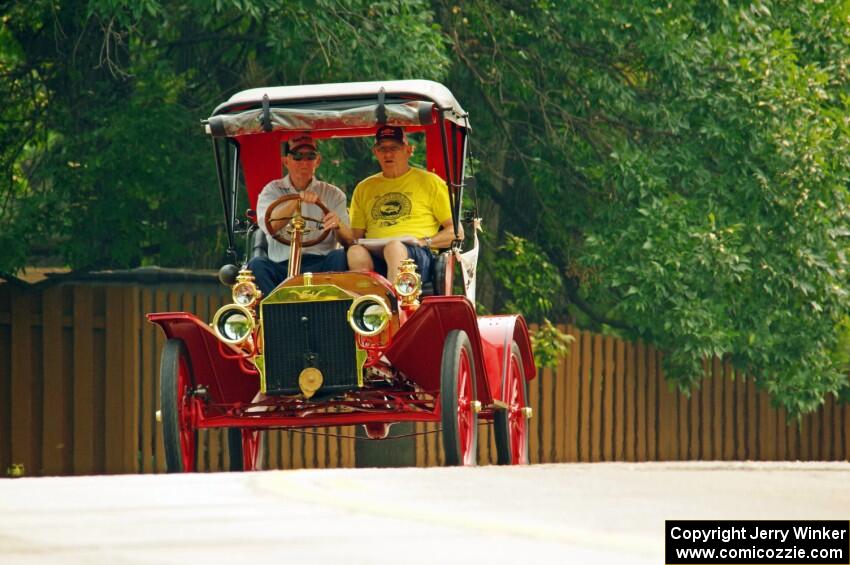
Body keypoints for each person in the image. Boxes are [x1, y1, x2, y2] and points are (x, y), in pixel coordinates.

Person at [347, 125, 463, 281]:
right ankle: (368, 303)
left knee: (394, 247)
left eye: (394, 148)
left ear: (409, 150)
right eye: (382, 149)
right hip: (375, 255)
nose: (388, 154)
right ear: (375, 153)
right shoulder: (363, 188)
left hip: (418, 255)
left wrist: (425, 242)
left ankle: (397, 303)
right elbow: (355, 238)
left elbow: (457, 233)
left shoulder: (430, 182)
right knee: (355, 251)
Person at [249, 133, 352, 295]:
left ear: (317, 161)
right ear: (286, 161)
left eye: (310, 156)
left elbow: (349, 240)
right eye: (297, 156)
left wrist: (337, 224)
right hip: (281, 264)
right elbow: (271, 227)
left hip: (321, 264)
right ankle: (276, 313)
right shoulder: (271, 191)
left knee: (341, 256)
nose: (304, 162)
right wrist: (296, 201)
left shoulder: (334, 194)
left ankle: (333, 312)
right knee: (256, 265)